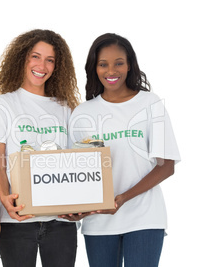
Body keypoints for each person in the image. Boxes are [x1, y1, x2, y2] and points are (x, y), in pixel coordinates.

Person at [67, 33, 181, 267]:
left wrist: (122, 199)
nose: (111, 71)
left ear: (129, 65)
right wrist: (75, 208)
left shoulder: (150, 104)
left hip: (144, 218)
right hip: (98, 222)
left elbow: (166, 165)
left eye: (119, 63)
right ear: (94, 68)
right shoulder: (82, 113)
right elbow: (74, 173)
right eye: (103, 64)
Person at [0, 29, 81, 267]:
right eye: (35, 56)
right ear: (22, 58)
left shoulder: (66, 108)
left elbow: (75, 164)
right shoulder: (3, 104)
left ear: (58, 66)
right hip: (17, 221)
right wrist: (5, 199)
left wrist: (80, 206)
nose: (42, 65)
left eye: (50, 60)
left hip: (61, 223)